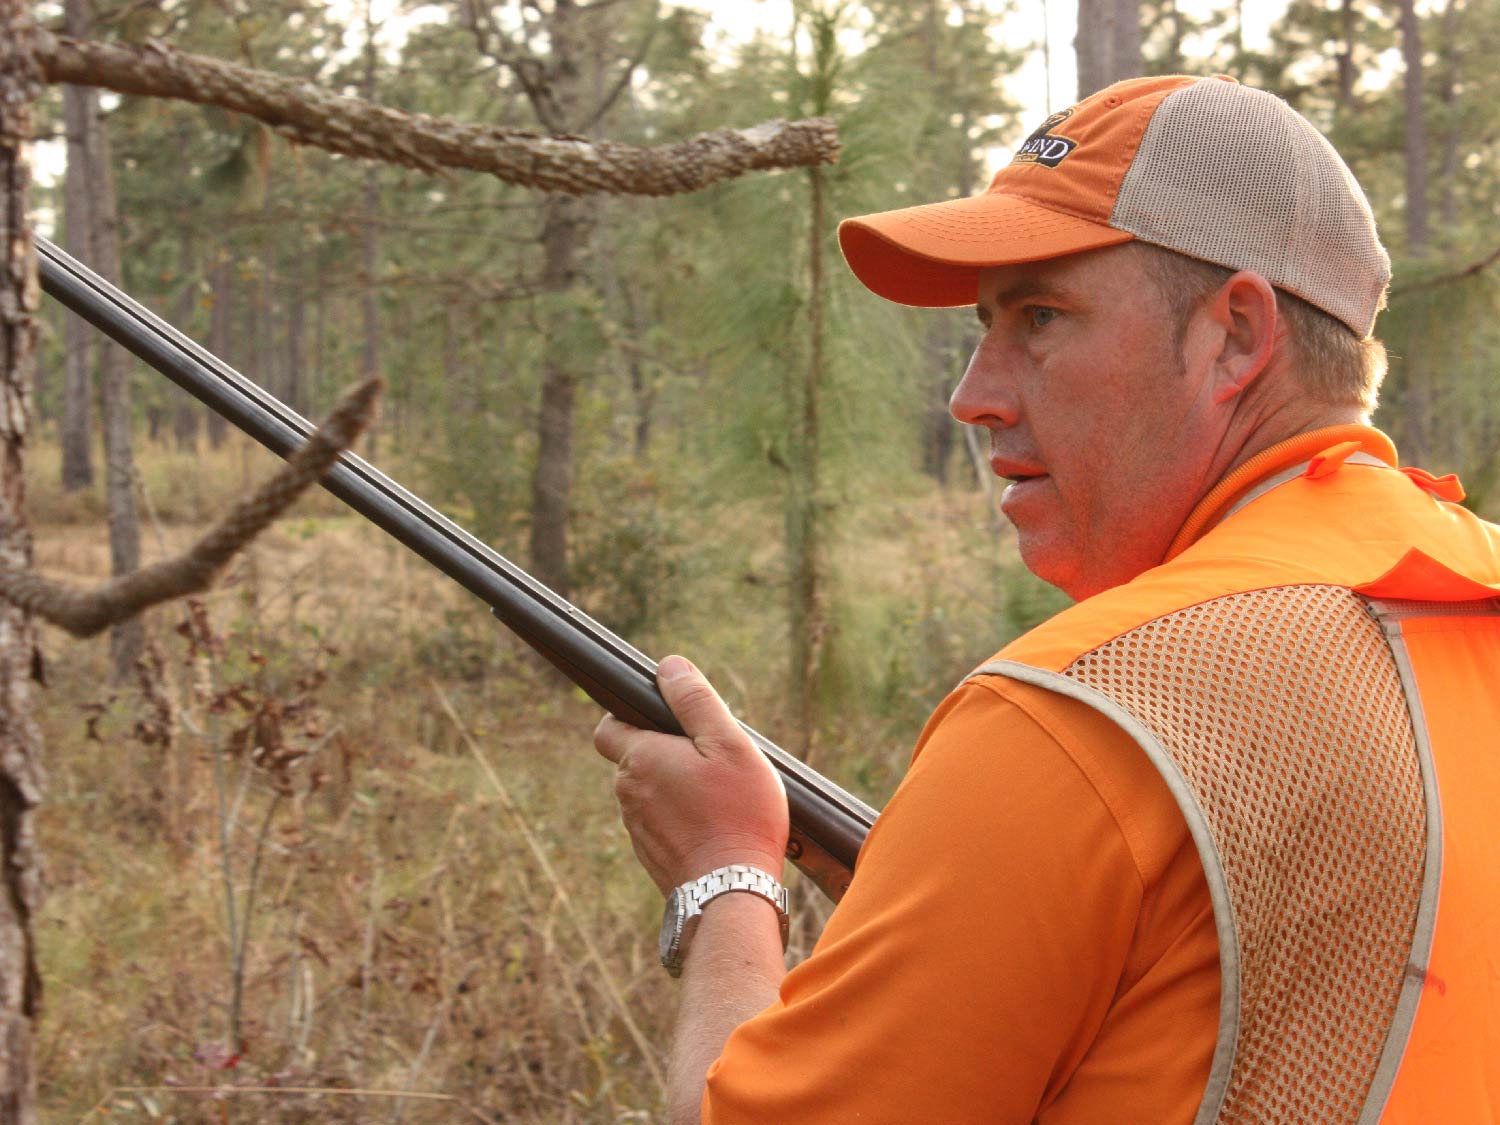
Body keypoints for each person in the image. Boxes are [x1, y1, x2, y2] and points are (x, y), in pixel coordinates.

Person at [594, 74, 1500, 1124]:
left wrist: (725, 881)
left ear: (1237, 338)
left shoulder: (1082, 716)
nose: (973, 394)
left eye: (1040, 316)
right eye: (985, 326)